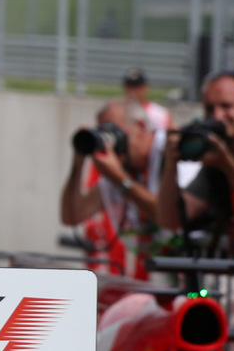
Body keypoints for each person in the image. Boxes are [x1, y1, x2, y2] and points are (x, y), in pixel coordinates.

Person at [60, 99, 166, 279]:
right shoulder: (120, 169)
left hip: (190, 269)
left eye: (114, 131)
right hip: (154, 272)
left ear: (140, 127)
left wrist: (120, 179)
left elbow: (168, 217)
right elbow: (72, 216)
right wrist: (79, 159)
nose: (111, 142)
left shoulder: (168, 154)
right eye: (103, 133)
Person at [157, 71, 234, 251]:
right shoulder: (217, 160)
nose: (217, 116)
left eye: (226, 106)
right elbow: (170, 220)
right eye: (209, 109)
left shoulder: (222, 160)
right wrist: (171, 164)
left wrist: (228, 165)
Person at [122, 68, 171, 132]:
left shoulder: (160, 113)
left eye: (137, 86)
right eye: (129, 86)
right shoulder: (117, 112)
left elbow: (170, 137)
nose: (132, 91)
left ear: (145, 87)